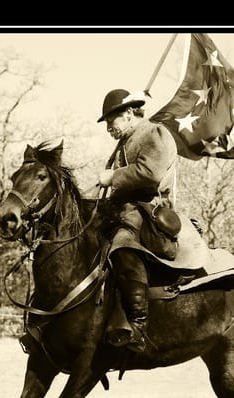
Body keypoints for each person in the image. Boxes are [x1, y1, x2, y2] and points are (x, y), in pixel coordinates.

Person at [96, 88, 178, 353]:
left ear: (129, 113)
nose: (109, 127)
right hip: (122, 209)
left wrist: (113, 177)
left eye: (112, 120)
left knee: (122, 247)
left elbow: (150, 173)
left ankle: (138, 326)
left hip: (147, 211)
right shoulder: (125, 141)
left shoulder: (154, 133)